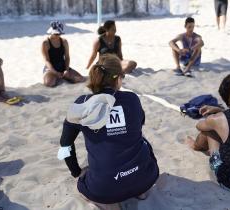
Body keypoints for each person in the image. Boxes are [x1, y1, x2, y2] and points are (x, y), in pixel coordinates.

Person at [58, 54, 159, 209]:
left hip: (104, 189)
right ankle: (137, 189)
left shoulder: (81, 104)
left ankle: (111, 196)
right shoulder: (132, 98)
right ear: (118, 77)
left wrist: (76, 171)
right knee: (139, 136)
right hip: (145, 179)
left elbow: (65, 144)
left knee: (95, 172)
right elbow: (140, 124)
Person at [41, 21, 85, 87]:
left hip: (62, 66)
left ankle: (63, 76)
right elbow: (47, 60)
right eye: (55, 33)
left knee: (80, 79)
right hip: (50, 68)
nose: (57, 35)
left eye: (59, 33)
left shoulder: (64, 41)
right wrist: (55, 72)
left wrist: (66, 70)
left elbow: (67, 57)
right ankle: (57, 77)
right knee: (49, 83)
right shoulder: (45, 43)